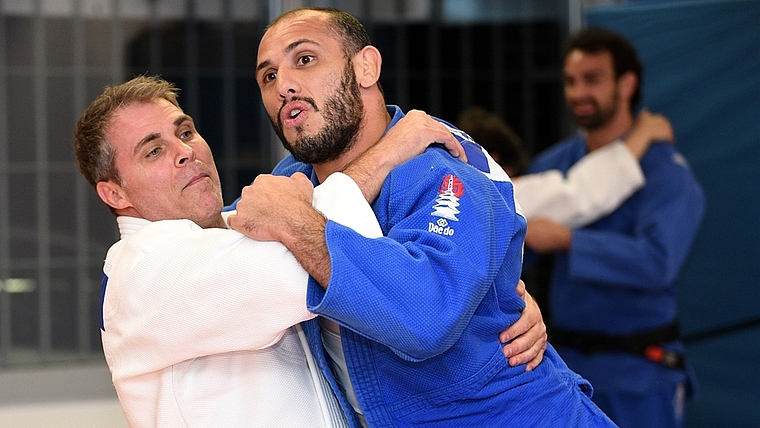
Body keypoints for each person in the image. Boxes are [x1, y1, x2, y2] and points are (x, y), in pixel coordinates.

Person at [74, 75, 546, 427]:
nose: (185, 151)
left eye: (186, 131)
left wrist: (495, 295)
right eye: (152, 151)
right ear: (115, 193)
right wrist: (390, 151)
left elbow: (369, 258)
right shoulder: (141, 275)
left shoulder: (232, 230)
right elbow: (308, 249)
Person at [227, 7, 616, 427]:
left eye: (304, 59)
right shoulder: (289, 182)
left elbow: (427, 311)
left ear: (366, 67)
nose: (283, 85)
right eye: (268, 77)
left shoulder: (443, 168)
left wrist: (297, 224)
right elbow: (212, 254)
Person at [523, 27, 705, 428]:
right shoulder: (552, 166)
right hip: (565, 369)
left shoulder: (666, 173)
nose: (578, 92)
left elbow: (657, 262)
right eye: (571, 81)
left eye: (592, 79)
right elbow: (518, 248)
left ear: (627, 84)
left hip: (638, 374)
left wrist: (570, 241)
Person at [456, 105, 676, 229]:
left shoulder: (437, 183)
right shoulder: (494, 195)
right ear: (493, 160)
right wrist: (642, 135)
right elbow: (579, 194)